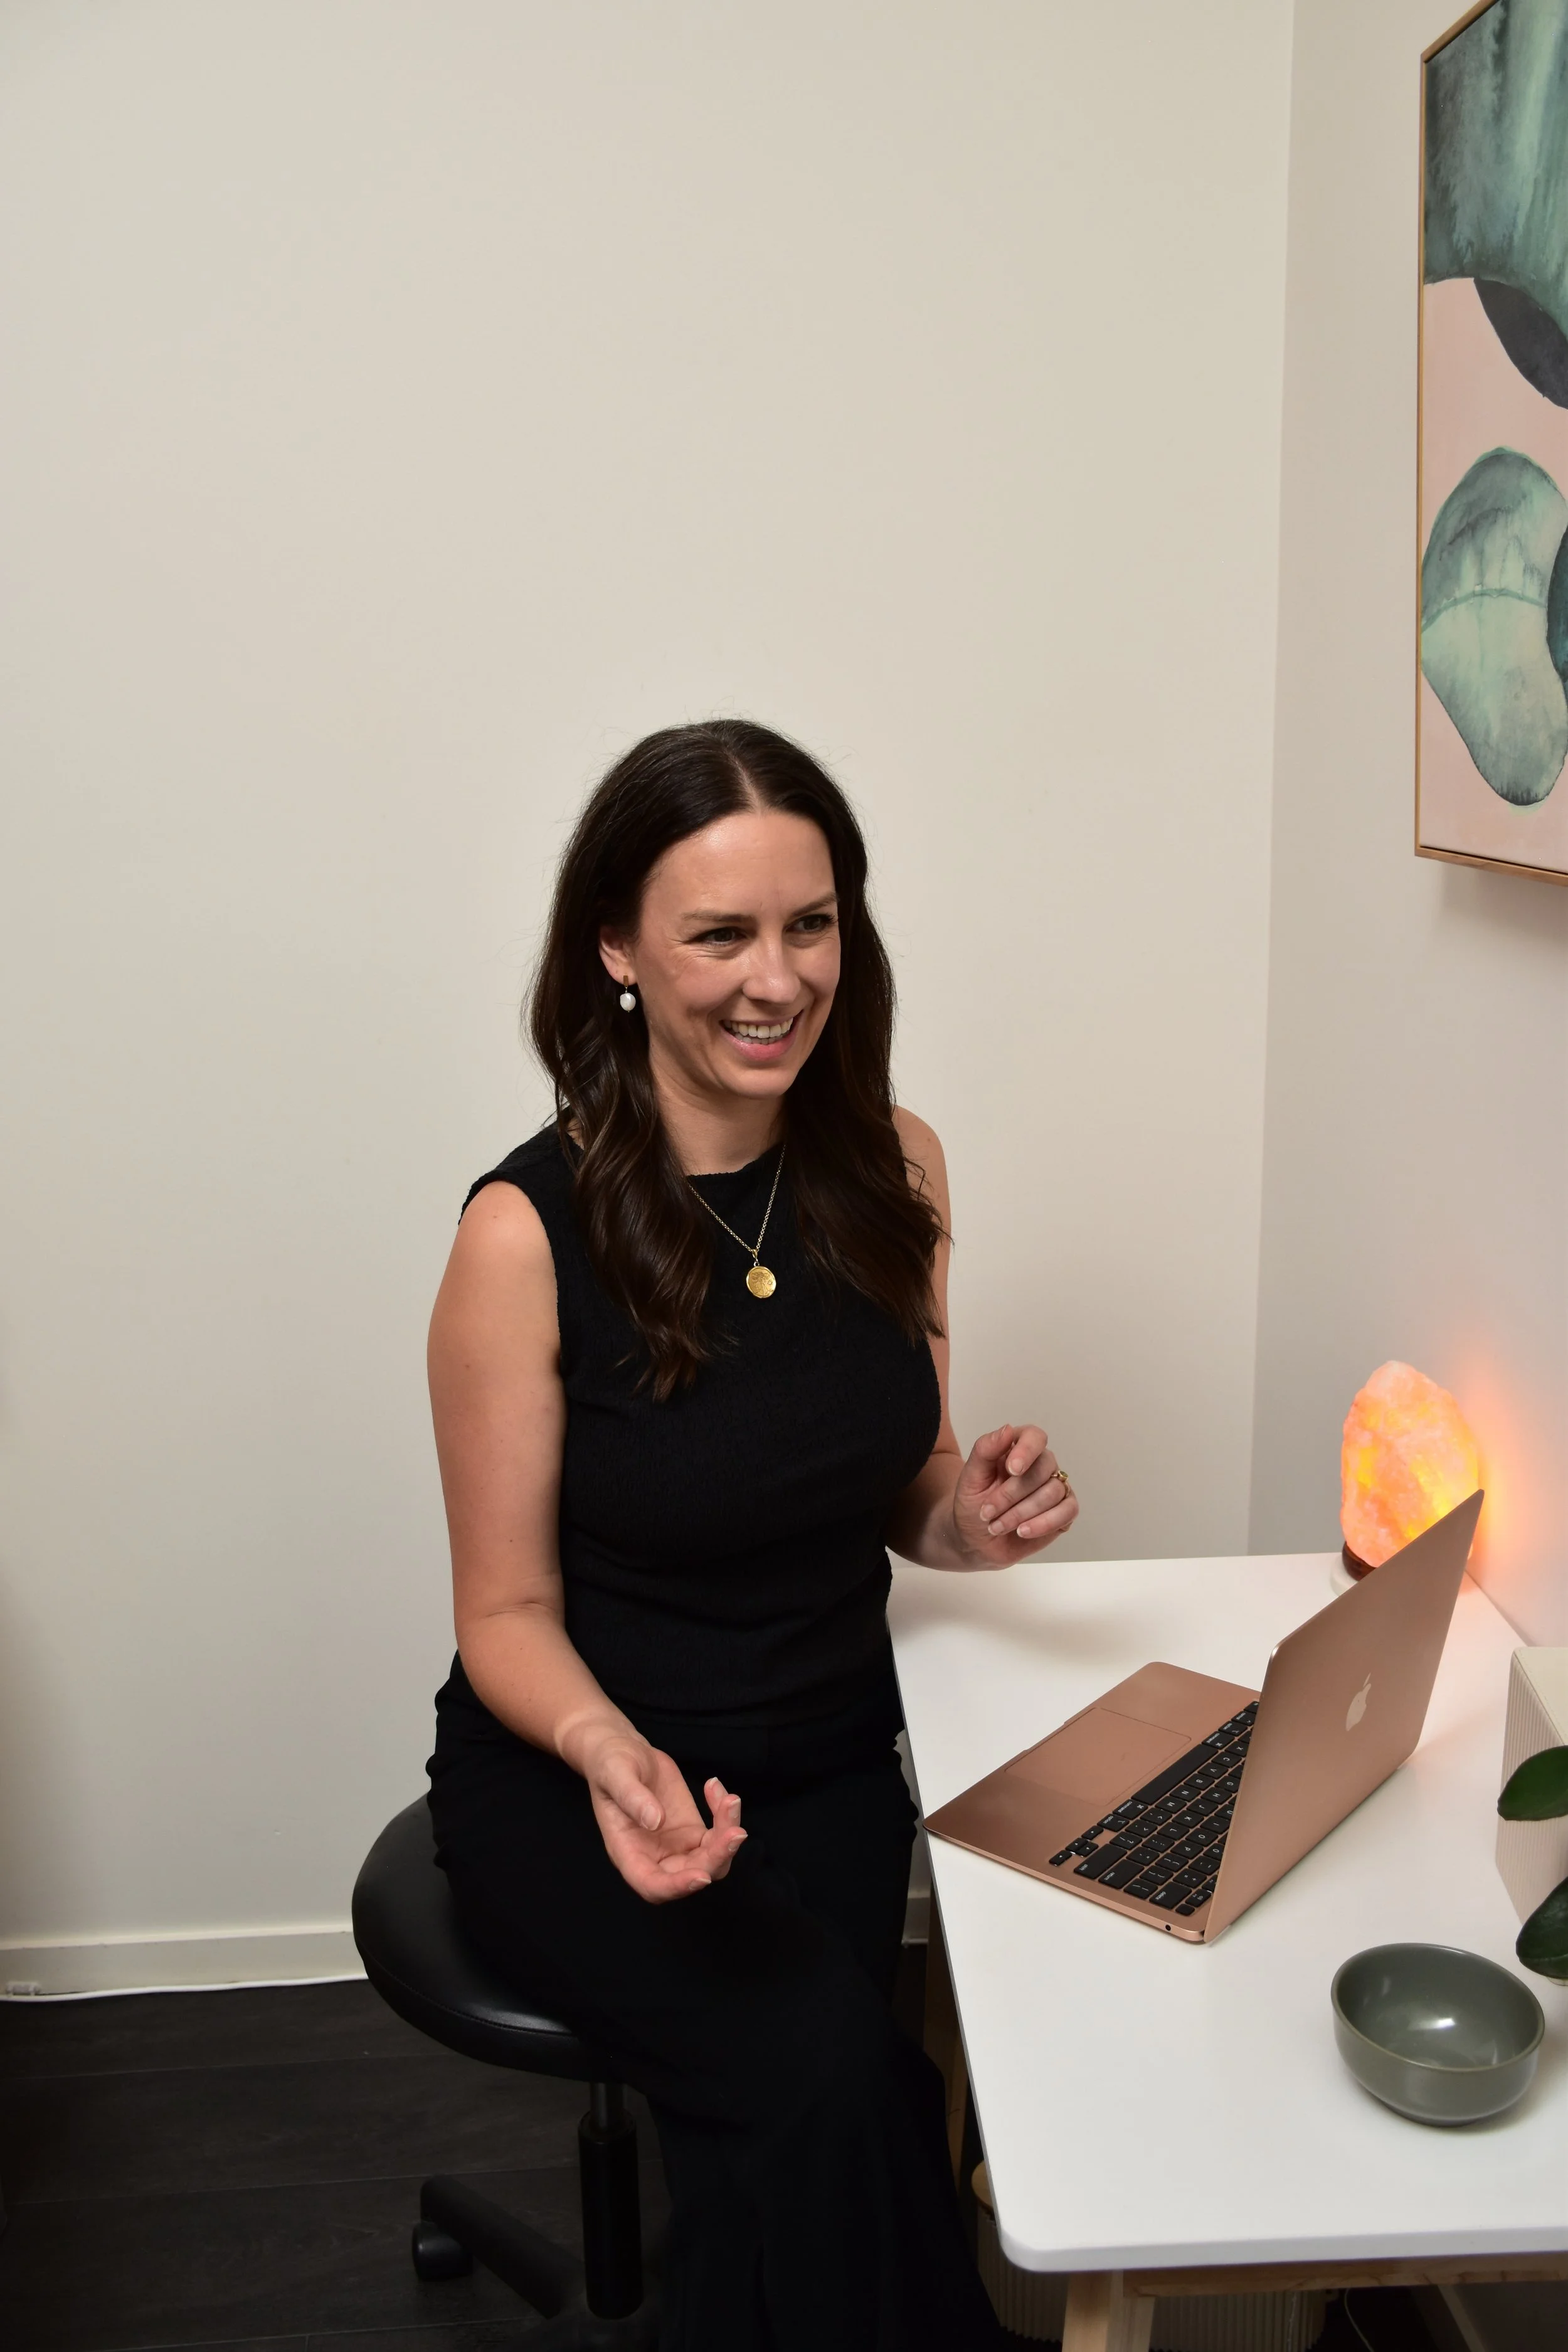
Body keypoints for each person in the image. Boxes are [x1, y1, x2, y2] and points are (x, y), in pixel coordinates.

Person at [425, 719, 1078, 2351]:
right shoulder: (524, 1233)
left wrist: (965, 1517)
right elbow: (503, 1609)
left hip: (827, 1754)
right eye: (718, 932)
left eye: (811, 923)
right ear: (617, 950)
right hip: (588, 1769)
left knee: (780, 2144)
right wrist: (607, 1754)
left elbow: (901, 1475)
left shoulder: (892, 1166)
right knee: (838, 2077)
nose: (774, 977)